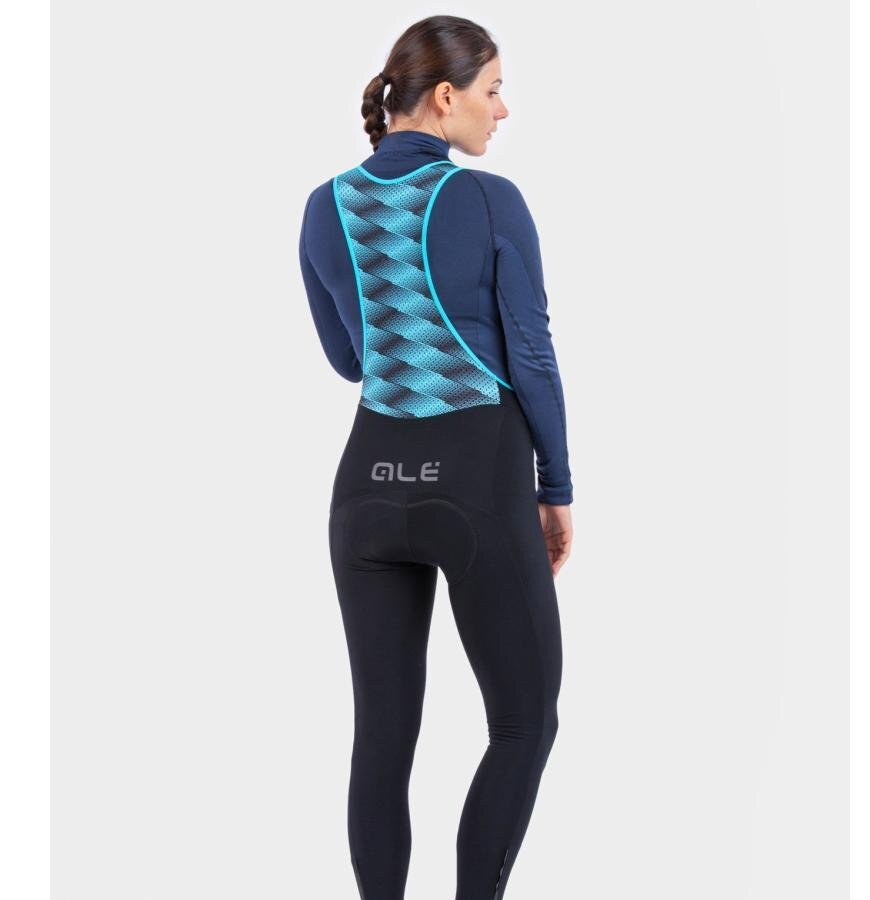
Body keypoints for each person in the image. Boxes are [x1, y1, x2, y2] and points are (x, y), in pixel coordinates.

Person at [298, 15, 574, 899]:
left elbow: (351, 360)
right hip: (477, 481)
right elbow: (531, 355)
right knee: (523, 724)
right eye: (494, 90)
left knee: (382, 737)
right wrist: (556, 485)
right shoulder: (489, 200)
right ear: (447, 97)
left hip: (366, 492)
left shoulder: (324, 206)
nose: (504, 110)